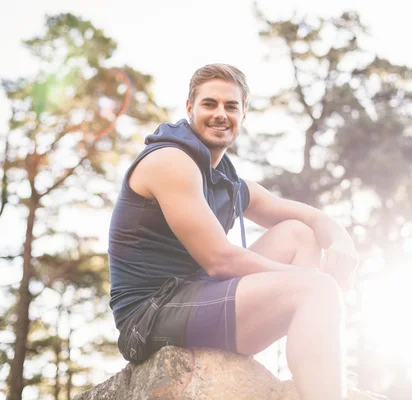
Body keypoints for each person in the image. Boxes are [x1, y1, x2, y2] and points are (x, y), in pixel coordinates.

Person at [108, 63, 359, 400]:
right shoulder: (171, 161)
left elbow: (310, 218)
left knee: (298, 233)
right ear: (189, 108)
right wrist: (310, 284)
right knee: (314, 289)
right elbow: (220, 261)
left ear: (243, 114)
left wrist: (341, 240)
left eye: (231, 106)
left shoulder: (227, 181)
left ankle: (306, 379)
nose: (220, 114)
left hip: (195, 292)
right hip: (149, 315)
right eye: (209, 104)